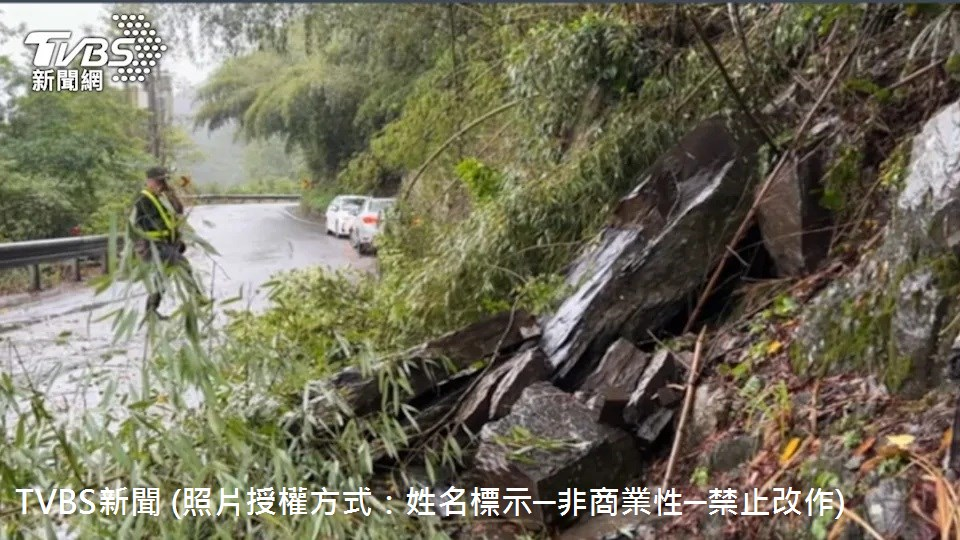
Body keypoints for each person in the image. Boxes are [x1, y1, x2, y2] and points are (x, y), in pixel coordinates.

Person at [131, 166, 208, 319]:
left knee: (163, 276)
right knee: (182, 264)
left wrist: (177, 240)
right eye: (158, 182)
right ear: (149, 181)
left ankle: (151, 311)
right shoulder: (143, 200)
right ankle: (198, 299)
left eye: (163, 181)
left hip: (164, 244)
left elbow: (176, 214)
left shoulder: (163, 197)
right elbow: (156, 223)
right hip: (150, 245)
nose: (161, 185)